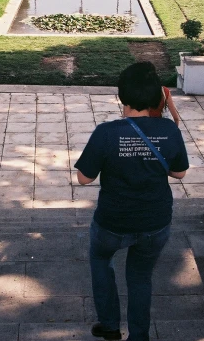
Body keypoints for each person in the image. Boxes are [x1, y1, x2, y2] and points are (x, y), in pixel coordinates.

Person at [76, 62, 190, 341]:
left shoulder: (106, 132)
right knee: (140, 278)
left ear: (122, 97)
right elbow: (179, 172)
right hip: (155, 220)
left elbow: (84, 179)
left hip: (112, 221)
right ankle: (139, 336)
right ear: (156, 98)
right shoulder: (169, 130)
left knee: (101, 261)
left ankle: (110, 325)